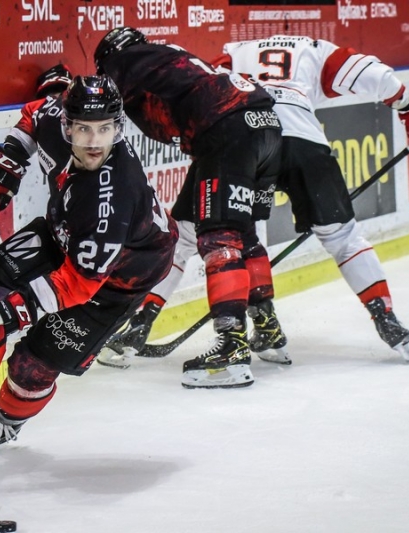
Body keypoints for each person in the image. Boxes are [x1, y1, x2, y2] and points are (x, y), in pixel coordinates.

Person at [98, 34, 409, 368]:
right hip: (300, 141)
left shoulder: (234, 51)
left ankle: (141, 325)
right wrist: (407, 105)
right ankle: (386, 318)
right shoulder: (315, 48)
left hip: (243, 128)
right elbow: (376, 76)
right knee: (342, 237)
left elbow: (209, 89)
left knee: (198, 233)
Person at [0, 75, 177, 459]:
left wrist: (11, 312)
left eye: (104, 130)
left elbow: (78, 284)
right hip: (63, 234)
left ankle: (4, 423)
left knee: (31, 365)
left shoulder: (113, 198)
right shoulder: (56, 118)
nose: (93, 142)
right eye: (84, 129)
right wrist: (12, 153)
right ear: (67, 125)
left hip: (115, 278)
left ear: (118, 129)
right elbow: (35, 113)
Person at [94, 27, 284, 389]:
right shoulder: (173, 61)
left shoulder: (130, 59)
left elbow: (94, 94)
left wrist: (59, 88)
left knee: (218, 236)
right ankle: (267, 328)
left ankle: (231, 347)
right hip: (265, 128)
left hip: (228, 131)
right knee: (233, 232)